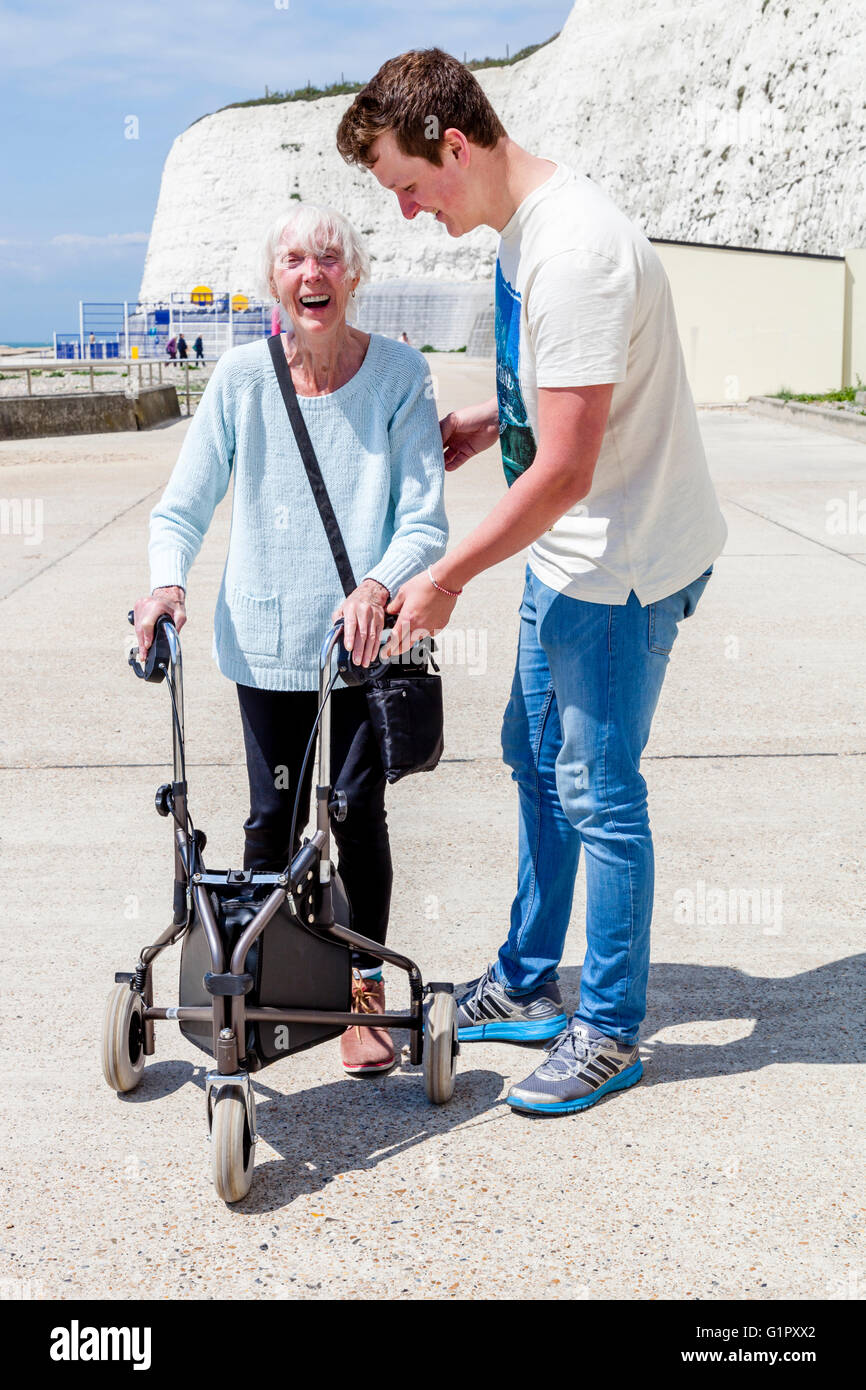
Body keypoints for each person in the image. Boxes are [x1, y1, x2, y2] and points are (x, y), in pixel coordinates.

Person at [337, 50, 727, 1114]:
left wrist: (446, 577)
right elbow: (550, 420)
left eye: (408, 188)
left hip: (621, 568)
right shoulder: (519, 239)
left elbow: (567, 468)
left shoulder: (573, 254)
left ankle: (606, 1028)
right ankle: (524, 980)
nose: (410, 213)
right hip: (569, 557)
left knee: (598, 793)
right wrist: (489, 421)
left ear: (451, 146)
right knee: (530, 756)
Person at [133, 203, 447, 1077]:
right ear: (275, 281)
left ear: (355, 276)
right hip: (266, 645)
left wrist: (378, 584)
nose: (314, 273)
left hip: (365, 648)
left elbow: (424, 519)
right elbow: (184, 502)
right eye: (296, 261)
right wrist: (167, 579)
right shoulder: (239, 379)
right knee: (271, 819)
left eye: (331, 259)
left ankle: (359, 990)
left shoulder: (399, 377)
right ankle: (260, 990)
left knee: (355, 818)